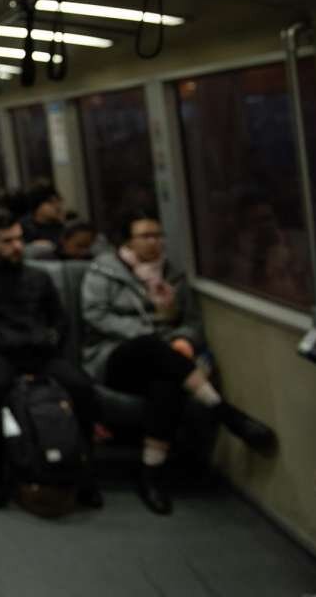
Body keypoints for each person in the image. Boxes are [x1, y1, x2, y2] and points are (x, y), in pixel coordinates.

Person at [80, 209, 277, 515]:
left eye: (159, 236)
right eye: (146, 236)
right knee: (151, 347)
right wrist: (154, 337)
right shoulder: (104, 271)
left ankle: (151, 475)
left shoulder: (173, 274)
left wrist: (183, 339)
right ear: (128, 242)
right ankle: (225, 412)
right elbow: (96, 316)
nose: (155, 242)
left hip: (166, 359)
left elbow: (193, 322)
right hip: (116, 355)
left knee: (167, 382)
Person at [0, 207, 102, 509]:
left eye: (19, 239)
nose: (17, 246)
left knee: (81, 388)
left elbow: (60, 319)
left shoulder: (39, 278)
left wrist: (53, 336)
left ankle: (83, 472)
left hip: (39, 353)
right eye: (7, 241)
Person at [18, 181, 66, 251]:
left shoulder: (60, 226)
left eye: (58, 201)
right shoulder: (22, 227)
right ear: (37, 206)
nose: (57, 206)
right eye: (50, 202)